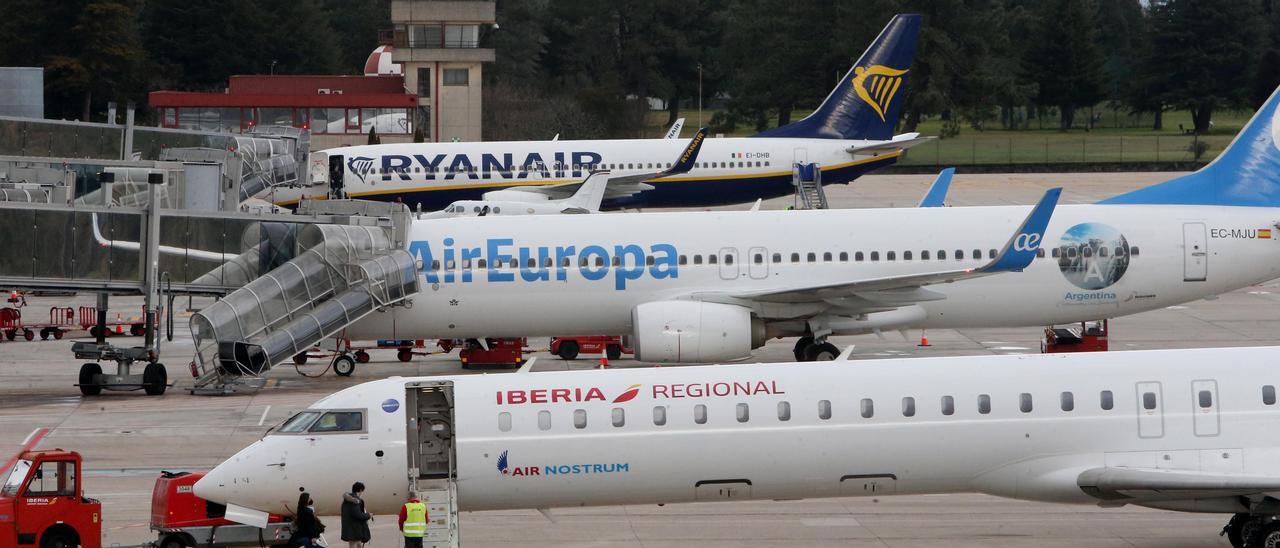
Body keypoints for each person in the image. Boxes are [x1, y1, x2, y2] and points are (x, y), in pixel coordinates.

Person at [340, 482, 373, 548]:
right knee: (354, 545)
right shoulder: (354, 501)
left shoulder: (347, 500)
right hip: (354, 530)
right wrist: (368, 515)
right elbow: (358, 515)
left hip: (352, 529)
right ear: (360, 490)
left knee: (359, 545)